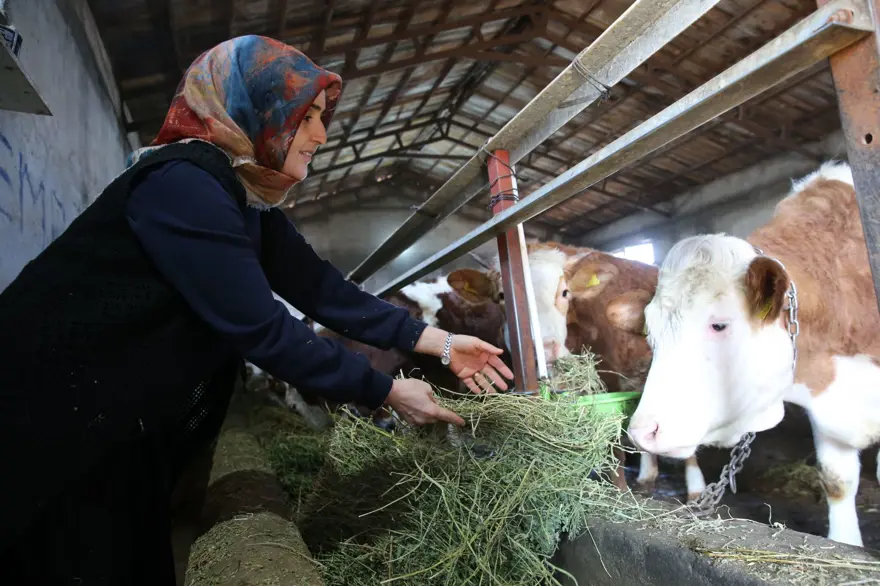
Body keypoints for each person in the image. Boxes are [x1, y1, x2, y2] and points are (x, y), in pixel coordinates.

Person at [0, 35, 513, 584]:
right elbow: (262, 329)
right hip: (49, 411)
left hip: (116, 419)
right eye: (305, 115)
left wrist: (442, 343)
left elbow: (322, 290)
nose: (320, 134)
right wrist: (385, 391)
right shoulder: (183, 184)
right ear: (256, 110)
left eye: (321, 117)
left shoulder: (240, 196)